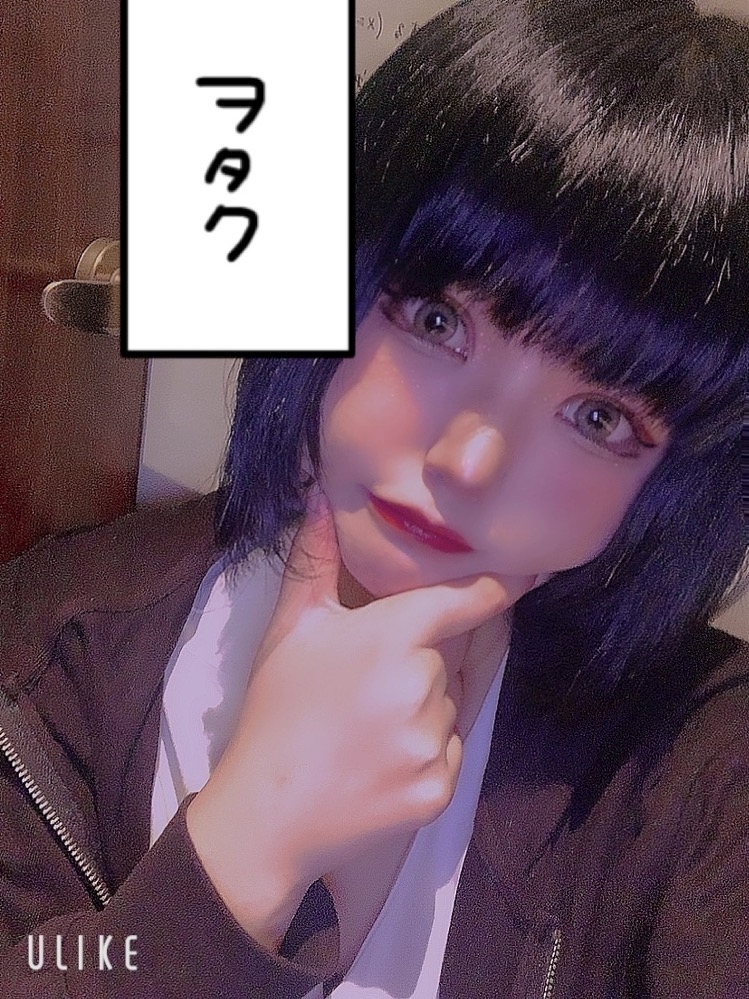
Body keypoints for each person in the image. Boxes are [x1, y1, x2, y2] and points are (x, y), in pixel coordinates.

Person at [1, 0, 748, 995]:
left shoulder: (706, 770)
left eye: (599, 416)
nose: (470, 462)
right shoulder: (57, 641)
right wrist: (245, 852)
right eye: (437, 321)